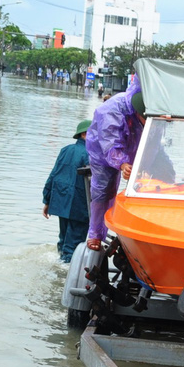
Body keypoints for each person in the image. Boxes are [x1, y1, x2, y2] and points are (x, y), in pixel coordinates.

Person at [85, 76, 147, 250]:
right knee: (104, 190)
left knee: (143, 185)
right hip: (102, 153)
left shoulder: (147, 108)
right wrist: (122, 164)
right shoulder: (112, 111)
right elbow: (110, 142)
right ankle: (95, 234)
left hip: (131, 145)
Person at [42, 120, 92, 263]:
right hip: (80, 205)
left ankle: (59, 265)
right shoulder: (92, 154)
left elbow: (53, 175)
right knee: (74, 245)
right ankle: (66, 276)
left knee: (63, 240)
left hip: (61, 202)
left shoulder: (65, 150)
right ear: (84, 134)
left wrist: (47, 200)